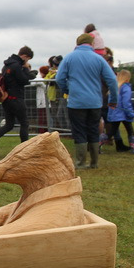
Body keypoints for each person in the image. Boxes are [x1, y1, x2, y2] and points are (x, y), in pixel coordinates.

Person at [55, 33, 118, 169]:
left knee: (79, 130)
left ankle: (80, 162)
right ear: (92, 44)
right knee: (94, 130)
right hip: (95, 101)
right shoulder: (99, 59)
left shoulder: (69, 58)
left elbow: (59, 78)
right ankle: (94, 162)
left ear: (77, 44)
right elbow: (112, 80)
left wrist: (68, 90)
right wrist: (113, 99)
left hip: (76, 102)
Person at [0, 47, 36, 158]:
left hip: (6, 99)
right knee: (24, 123)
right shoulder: (17, 66)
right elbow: (23, 80)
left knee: (9, 124)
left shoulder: (6, 65)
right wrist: (28, 70)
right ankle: (24, 150)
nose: (27, 62)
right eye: (28, 59)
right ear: (24, 56)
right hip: (16, 98)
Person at [106, 69, 134, 154]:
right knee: (130, 130)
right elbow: (126, 102)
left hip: (115, 113)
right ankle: (133, 146)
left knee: (112, 131)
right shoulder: (126, 87)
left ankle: (98, 143)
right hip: (123, 113)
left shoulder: (114, 87)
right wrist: (130, 113)